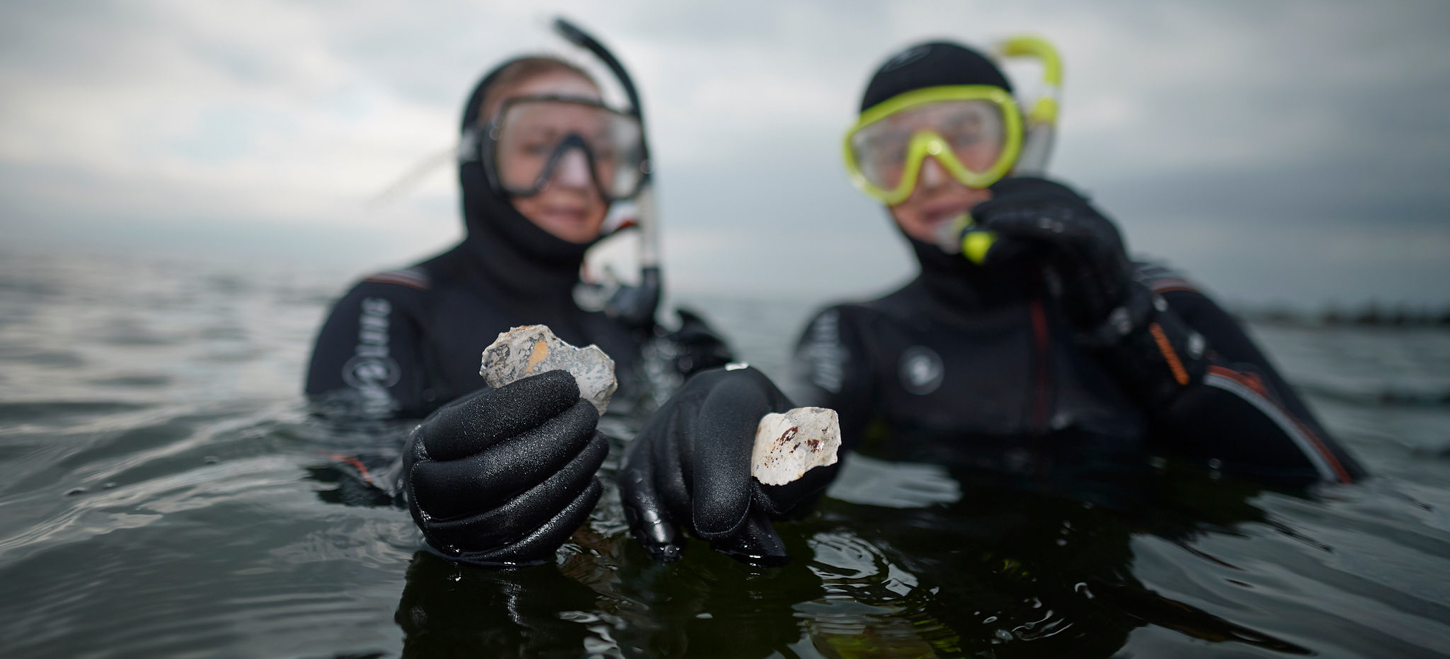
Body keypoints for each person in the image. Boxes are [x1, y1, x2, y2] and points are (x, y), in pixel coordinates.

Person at [618, 40, 1365, 565]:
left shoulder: (1147, 293)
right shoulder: (857, 329)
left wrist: (1122, 321)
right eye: (894, 153)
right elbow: (815, 414)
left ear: (1022, 146)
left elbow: (1327, 476)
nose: (932, 172)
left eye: (965, 136)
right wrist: (745, 413)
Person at [306, 53, 728, 565]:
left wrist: (718, 402)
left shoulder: (632, 326)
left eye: (601, 150)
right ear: (478, 159)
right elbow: (347, 461)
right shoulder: (390, 304)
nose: (576, 176)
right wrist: (419, 493)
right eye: (536, 146)